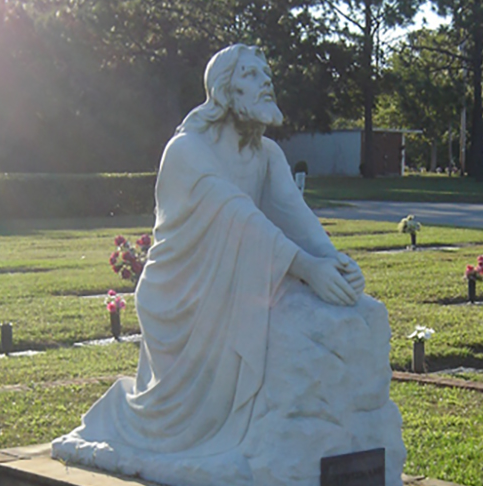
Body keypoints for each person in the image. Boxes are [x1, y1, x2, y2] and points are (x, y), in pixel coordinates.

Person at [53, 44, 404, 486]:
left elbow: (294, 216)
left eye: (267, 72)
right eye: (254, 74)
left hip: (240, 281)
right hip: (183, 296)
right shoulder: (187, 149)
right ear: (224, 89)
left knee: (328, 319)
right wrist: (305, 268)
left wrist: (332, 261)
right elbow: (235, 215)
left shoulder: (268, 155)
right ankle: (165, 430)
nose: (267, 81)